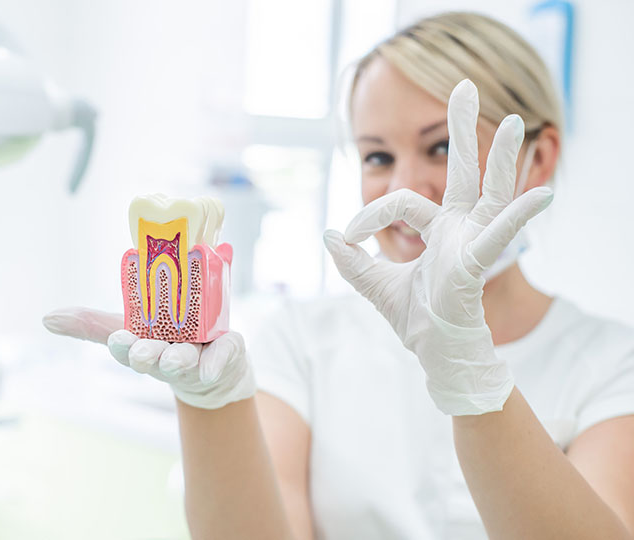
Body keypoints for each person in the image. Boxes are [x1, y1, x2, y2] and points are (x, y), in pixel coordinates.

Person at [42, 12, 634, 540]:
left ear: (539, 157)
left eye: (441, 148)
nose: (403, 186)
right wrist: (210, 408)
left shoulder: (613, 363)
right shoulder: (302, 339)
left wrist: (471, 379)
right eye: (377, 156)